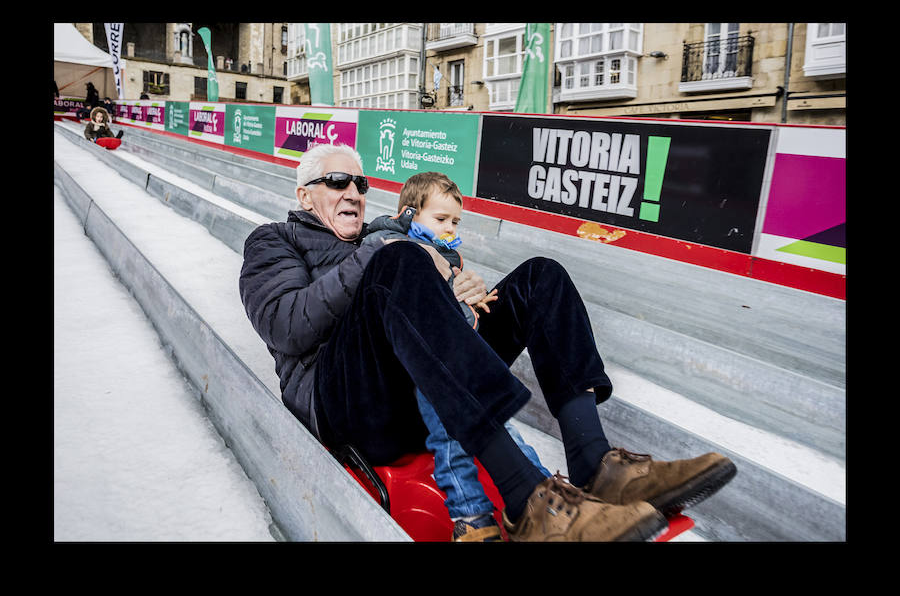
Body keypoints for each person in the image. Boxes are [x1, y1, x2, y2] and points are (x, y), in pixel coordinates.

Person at [239, 143, 737, 542]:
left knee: (541, 280)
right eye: (336, 181)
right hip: (347, 401)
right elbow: (285, 325)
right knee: (398, 262)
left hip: (421, 380)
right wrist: (383, 256)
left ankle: (595, 462)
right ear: (305, 196)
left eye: (360, 183)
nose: (352, 191)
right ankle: (528, 500)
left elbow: (413, 271)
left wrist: (456, 288)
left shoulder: (382, 239)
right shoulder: (274, 240)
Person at [362, 172, 551, 541]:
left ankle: (544, 492)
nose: (449, 228)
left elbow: (453, 313)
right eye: (440, 219)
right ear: (408, 214)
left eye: (455, 222)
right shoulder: (387, 242)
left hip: (451, 358)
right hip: (410, 370)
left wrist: (471, 301)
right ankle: (471, 517)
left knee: (498, 421)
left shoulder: (450, 255)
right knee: (450, 435)